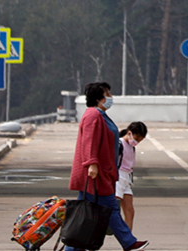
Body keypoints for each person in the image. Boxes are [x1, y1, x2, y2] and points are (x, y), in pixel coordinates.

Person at [66, 82, 148, 251]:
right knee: (109, 208)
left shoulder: (101, 115)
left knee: (84, 215)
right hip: (95, 173)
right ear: (98, 98)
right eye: (107, 94)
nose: (110, 97)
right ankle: (128, 242)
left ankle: (72, 248)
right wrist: (92, 164)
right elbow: (89, 141)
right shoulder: (92, 115)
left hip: (102, 172)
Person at [117, 121, 148, 231]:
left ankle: (128, 241)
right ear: (129, 133)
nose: (137, 142)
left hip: (127, 178)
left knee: (129, 211)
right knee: (113, 211)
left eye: (140, 140)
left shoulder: (131, 146)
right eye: (137, 138)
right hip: (118, 177)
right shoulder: (119, 144)